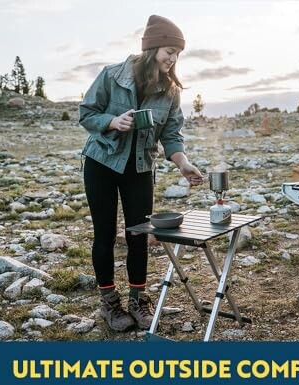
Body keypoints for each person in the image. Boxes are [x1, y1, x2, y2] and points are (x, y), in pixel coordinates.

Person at [79, 14, 203, 332]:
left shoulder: (170, 91)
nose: (173, 58)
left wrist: (183, 163)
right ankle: (109, 303)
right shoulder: (111, 75)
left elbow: (172, 136)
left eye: (177, 53)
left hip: (140, 168)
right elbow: (86, 113)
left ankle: (138, 300)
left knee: (139, 237)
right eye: (169, 50)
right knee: (104, 235)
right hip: (102, 164)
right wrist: (112, 121)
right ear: (152, 48)